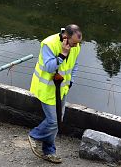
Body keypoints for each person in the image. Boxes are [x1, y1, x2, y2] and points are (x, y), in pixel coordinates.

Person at [28, 24, 82, 164]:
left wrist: (71, 82)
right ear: (65, 37)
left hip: (62, 89)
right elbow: (48, 67)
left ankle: (49, 151)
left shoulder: (76, 46)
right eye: (74, 43)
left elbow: (75, 65)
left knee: (58, 121)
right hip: (46, 89)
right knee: (53, 121)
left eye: (78, 43)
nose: (76, 46)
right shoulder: (48, 44)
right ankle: (34, 135)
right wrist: (63, 54)